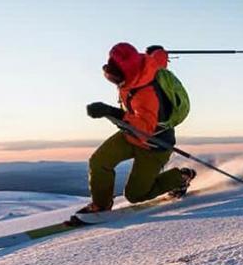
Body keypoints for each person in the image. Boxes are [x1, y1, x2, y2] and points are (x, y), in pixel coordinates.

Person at [78, 42, 196, 214]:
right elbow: (156, 61)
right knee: (99, 162)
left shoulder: (145, 94)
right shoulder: (145, 64)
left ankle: (181, 177)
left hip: (154, 144)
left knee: (135, 195)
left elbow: (145, 130)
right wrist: (158, 52)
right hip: (130, 134)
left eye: (115, 78)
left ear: (127, 72)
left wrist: (111, 112)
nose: (114, 81)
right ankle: (101, 206)